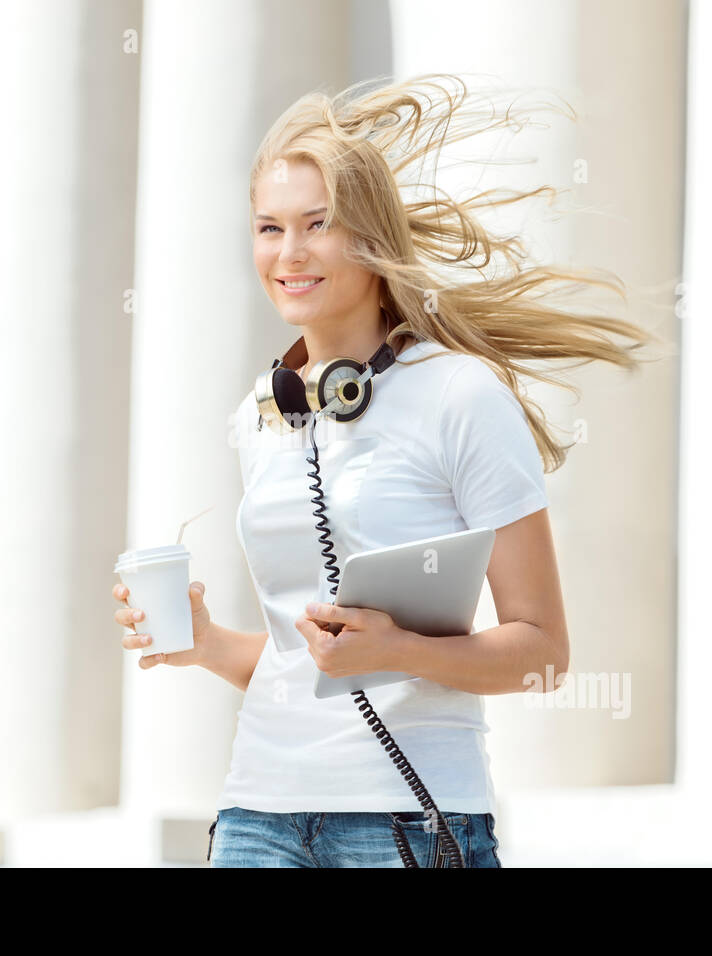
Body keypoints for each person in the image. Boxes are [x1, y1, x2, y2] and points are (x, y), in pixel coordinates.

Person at [111, 74, 658, 867]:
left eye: (317, 225)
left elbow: (543, 654)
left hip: (407, 824)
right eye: (269, 227)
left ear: (369, 238)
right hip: (258, 814)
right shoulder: (263, 412)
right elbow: (308, 662)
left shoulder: (462, 394)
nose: (288, 253)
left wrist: (398, 647)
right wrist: (204, 642)